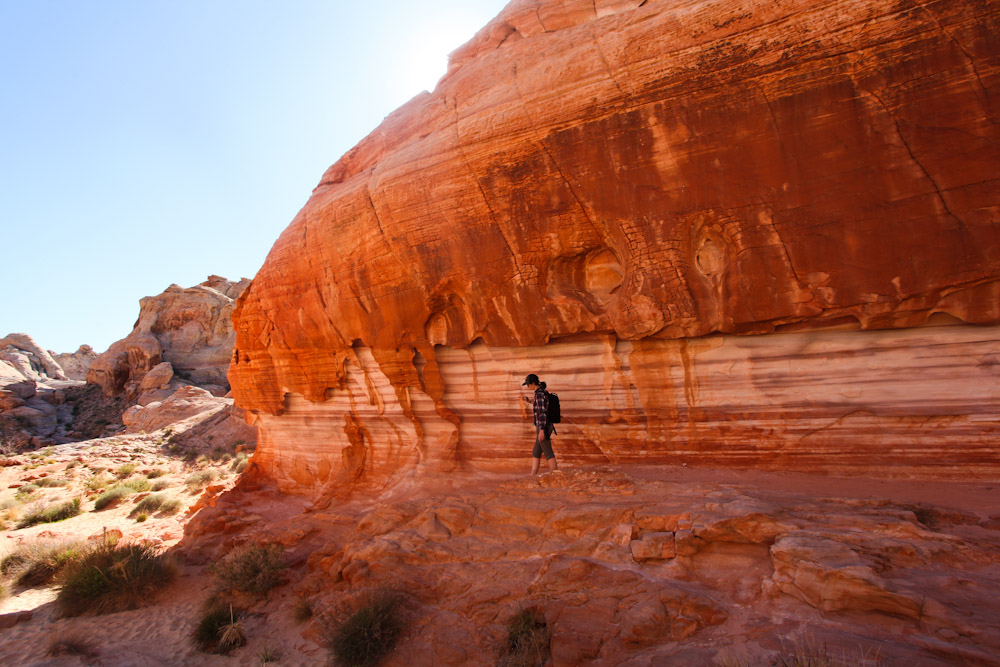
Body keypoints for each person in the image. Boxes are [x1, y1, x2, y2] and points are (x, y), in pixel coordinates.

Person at [522, 373, 558, 475]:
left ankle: (556, 475)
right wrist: (530, 401)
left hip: (543, 427)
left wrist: (542, 430)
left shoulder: (539, 394)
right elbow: (540, 405)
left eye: (528, 384)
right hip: (544, 426)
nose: (528, 387)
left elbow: (542, 413)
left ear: (533, 383)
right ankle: (532, 477)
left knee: (548, 453)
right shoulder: (541, 393)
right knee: (536, 452)